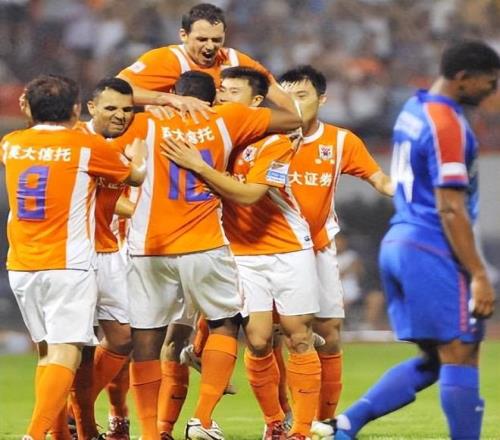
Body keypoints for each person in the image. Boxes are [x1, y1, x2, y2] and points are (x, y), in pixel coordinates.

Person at [312, 40, 499, 440]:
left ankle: (345, 425)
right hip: (432, 245)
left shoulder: (414, 110)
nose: (492, 90)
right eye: (490, 81)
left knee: (435, 358)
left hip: (401, 240)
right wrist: (480, 274)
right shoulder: (447, 124)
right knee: (462, 350)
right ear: (464, 78)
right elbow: (450, 207)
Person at [127, 70, 301, 440]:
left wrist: (159, 101)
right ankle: (202, 420)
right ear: (213, 98)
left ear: (175, 93)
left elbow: (109, 109)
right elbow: (292, 119)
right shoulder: (228, 118)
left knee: (149, 337)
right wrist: (263, 83)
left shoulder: (145, 122)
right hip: (203, 242)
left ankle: (150, 432)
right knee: (225, 324)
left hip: (148, 246)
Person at [0, 74, 146, 440]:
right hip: (68, 263)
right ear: (78, 108)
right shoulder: (86, 146)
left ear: (27, 107)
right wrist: (139, 159)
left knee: (48, 353)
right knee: (67, 352)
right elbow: (134, 177)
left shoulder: (11, 144)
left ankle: (63, 433)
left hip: (22, 264)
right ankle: (35, 435)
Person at [277, 65, 393, 429]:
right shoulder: (262, 137)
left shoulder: (340, 141)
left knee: (328, 333)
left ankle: (323, 420)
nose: (294, 104)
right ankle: (279, 418)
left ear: (322, 99)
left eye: (302, 96)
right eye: (286, 97)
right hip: (270, 250)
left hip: (319, 248)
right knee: (269, 337)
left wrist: (404, 189)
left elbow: (377, 177)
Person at [69, 77, 153, 440]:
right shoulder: (78, 141)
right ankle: (70, 421)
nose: (121, 115)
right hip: (77, 253)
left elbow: (106, 196)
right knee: (77, 345)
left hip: (111, 250)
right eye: (111, 108)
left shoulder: (117, 143)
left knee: (121, 338)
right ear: (91, 108)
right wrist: (138, 163)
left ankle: (78, 413)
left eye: (127, 109)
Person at [117, 3, 297, 123]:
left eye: (217, 40)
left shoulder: (235, 61)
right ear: (183, 35)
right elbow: (115, 90)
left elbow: (277, 92)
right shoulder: (166, 59)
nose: (210, 46)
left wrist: (298, 123)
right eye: (202, 39)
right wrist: (165, 99)